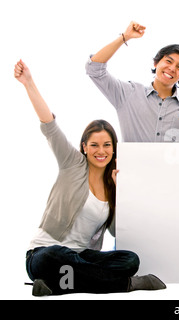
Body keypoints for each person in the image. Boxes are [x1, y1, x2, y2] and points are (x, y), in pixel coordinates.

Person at [15, 60, 166, 296]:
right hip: (44, 254)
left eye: (107, 145)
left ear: (114, 149)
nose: (101, 151)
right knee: (56, 256)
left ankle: (55, 285)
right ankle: (127, 285)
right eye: (94, 145)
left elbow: (116, 232)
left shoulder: (113, 182)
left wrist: (120, 192)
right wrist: (29, 83)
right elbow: (49, 125)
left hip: (83, 256)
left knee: (130, 261)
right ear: (84, 147)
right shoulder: (71, 163)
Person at [86, 21, 179, 143]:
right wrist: (125, 37)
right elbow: (94, 69)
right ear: (156, 63)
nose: (172, 68)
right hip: (131, 162)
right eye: (168, 61)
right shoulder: (128, 93)